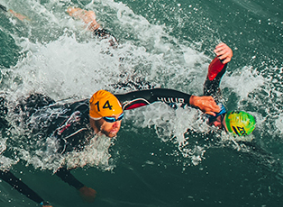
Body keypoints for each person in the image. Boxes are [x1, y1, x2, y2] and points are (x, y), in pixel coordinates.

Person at [0, 51, 220, 202]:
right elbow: (56, 165)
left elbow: (152, 95)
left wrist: (193, 100)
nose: (116, 125)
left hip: (47, 102)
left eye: (118, 118)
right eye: (110, 121)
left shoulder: (112, 105)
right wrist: (80, 187)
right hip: (25, 116)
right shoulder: (73, 135)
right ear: (94, 117)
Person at [68, 9, 257, 137]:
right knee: (115, 59)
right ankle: (91, 22)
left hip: (148, 102)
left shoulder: (217, 130)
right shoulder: (212, 105)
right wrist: (223, 60)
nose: (216, 124)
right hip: (144, 91)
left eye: (221, 128)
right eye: (220, 120)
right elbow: (213, 78)